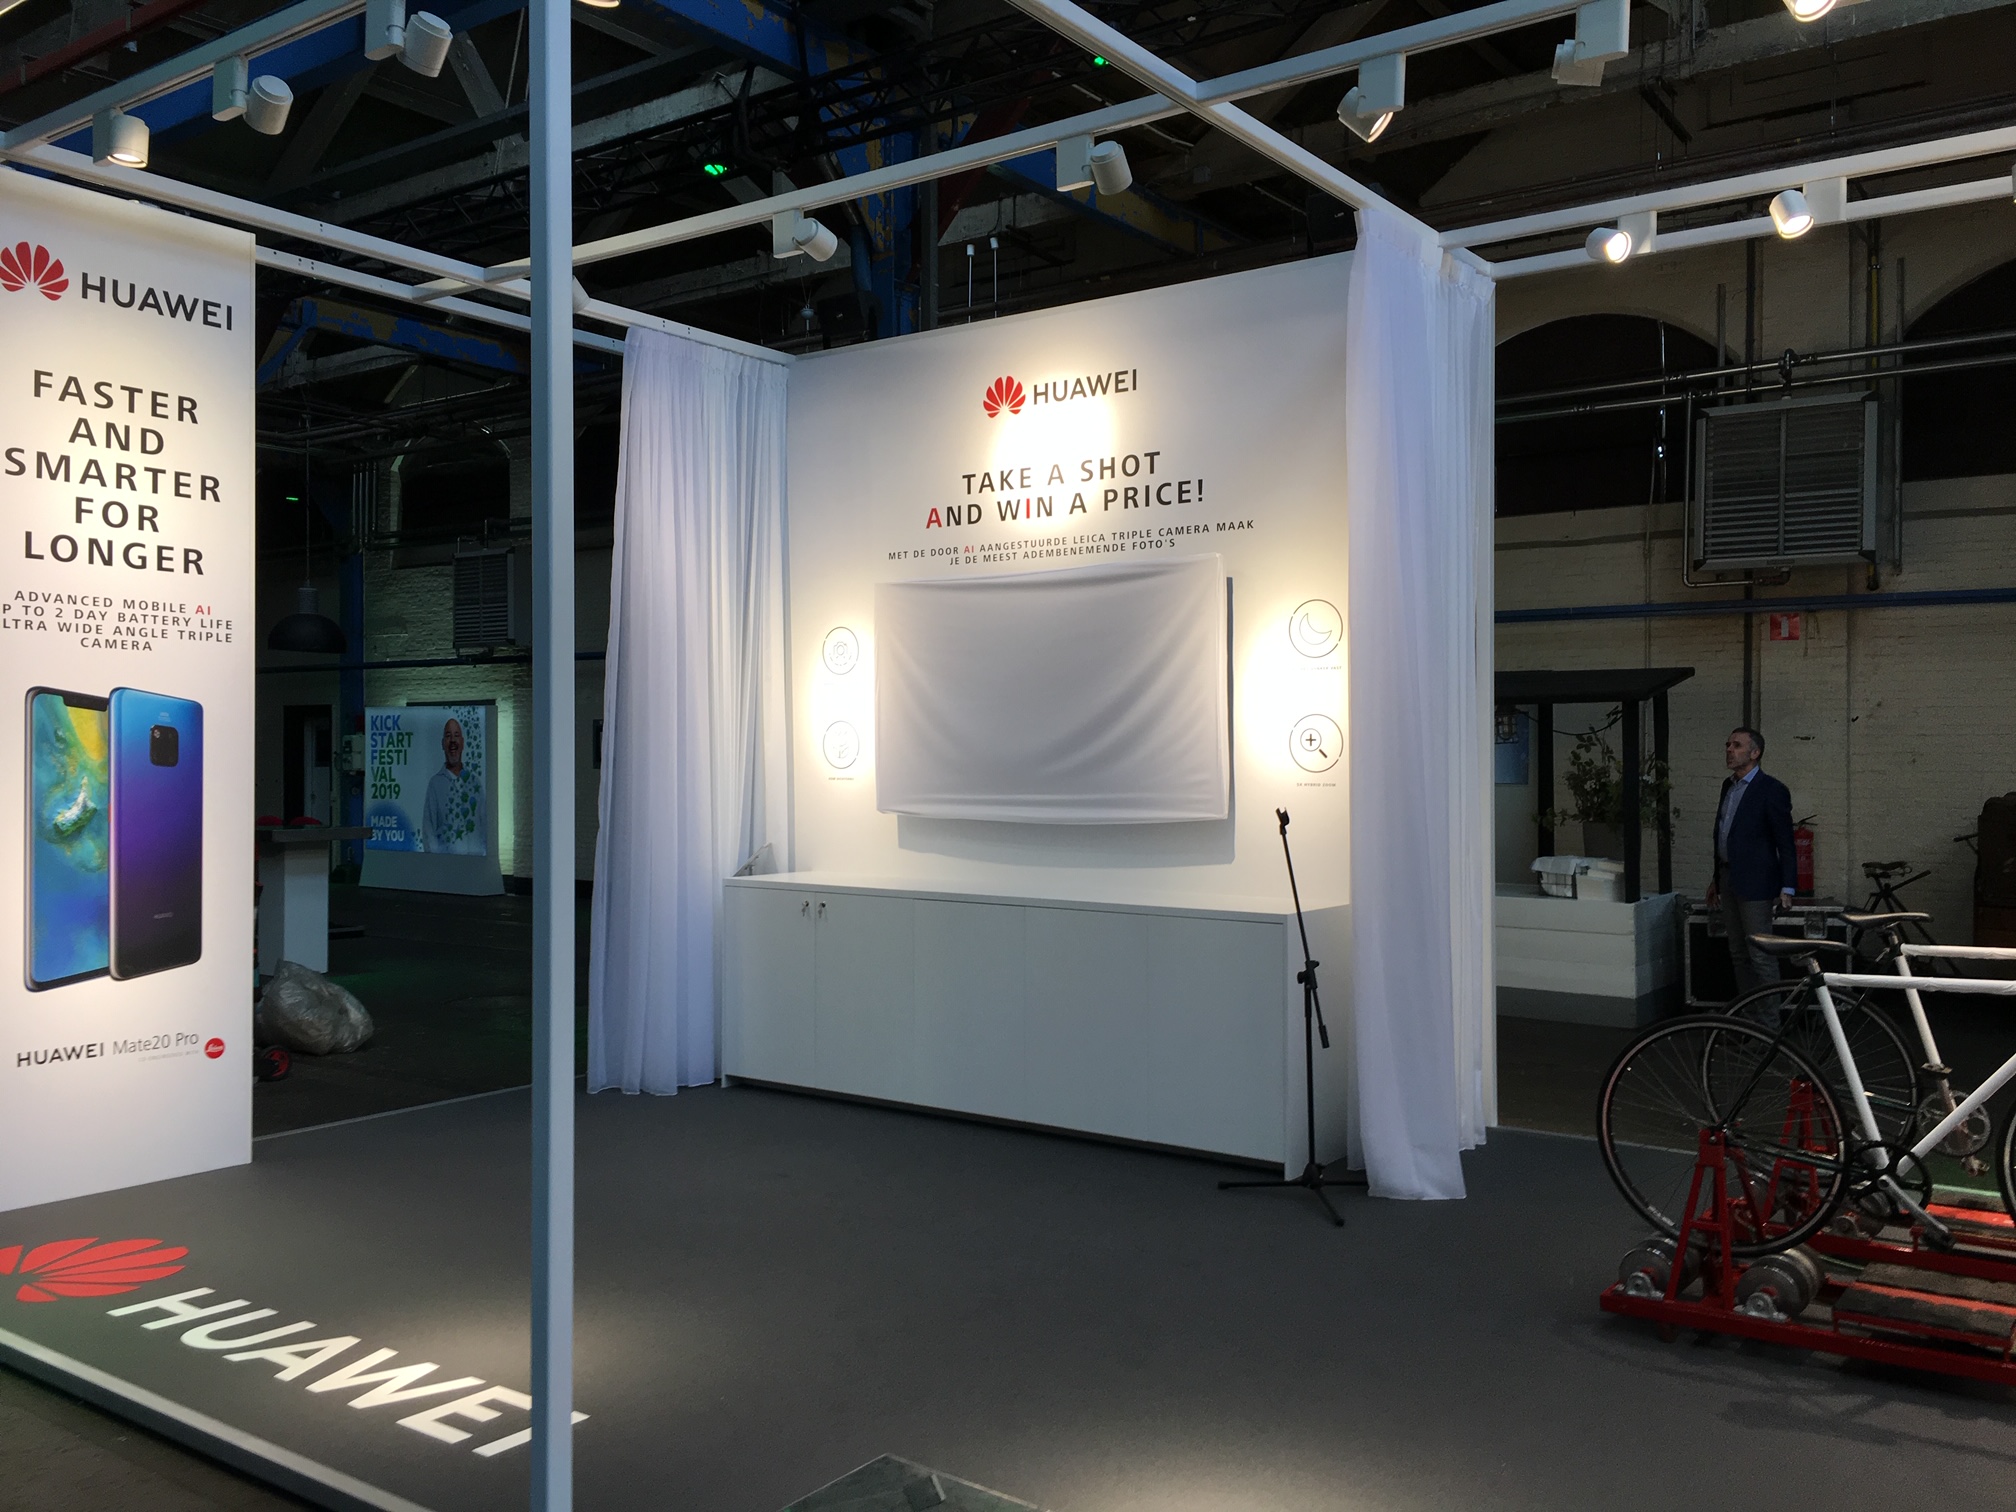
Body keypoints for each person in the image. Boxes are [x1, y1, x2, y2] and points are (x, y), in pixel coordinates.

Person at [1705, 725, 1796, 996]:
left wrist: (1788, 886)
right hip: (1728, 876)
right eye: (1728, 745)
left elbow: (1785, 841)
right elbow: (1725, 834)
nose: (1729, 750)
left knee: (1760, 953)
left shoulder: (1772, 789)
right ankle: (1748, 1014)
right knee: (1738, 952)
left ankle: (1769, 1019)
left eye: (1737, 746)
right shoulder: (1729, 786)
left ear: (1755, 753)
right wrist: (1716, 878)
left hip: (1756, 882)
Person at [421, 717, 485, 855]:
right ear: (443, 744)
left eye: (456, 735)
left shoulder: (475, 784)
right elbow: (428, 831)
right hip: (445, 865)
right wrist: (437, 863)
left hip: (475, 864)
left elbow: (485, 828)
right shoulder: (435, 785)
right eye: (448, 736)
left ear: (462, 743)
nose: (452, 740)